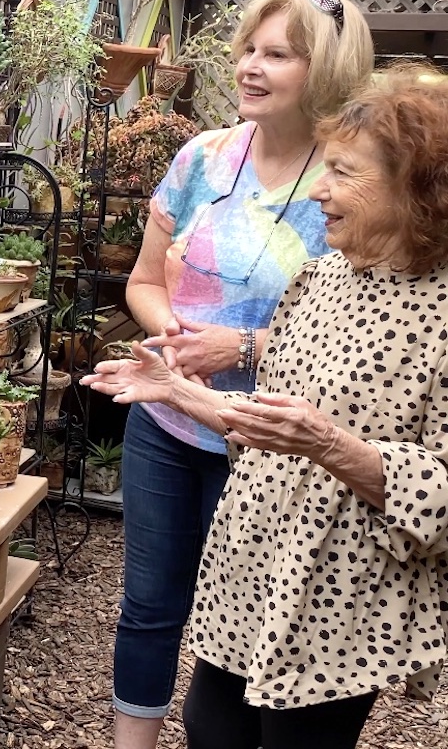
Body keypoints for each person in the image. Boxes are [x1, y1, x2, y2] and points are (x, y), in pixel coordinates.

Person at [82, 66, 448, 748]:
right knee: (210, 728)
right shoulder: (320, 278)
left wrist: (334, 447)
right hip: (249, 564)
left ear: (417, 190)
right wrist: (178, 391)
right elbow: (271, 430)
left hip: (337, 591)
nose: (318, 191)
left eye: (342, 173)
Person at [110, 0, 375, 748]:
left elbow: (358, 339)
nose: (250, 68)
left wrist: (245, 349)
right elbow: (143, 282)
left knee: (257, 617)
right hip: (166, 422)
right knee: (150, 605)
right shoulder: (202, 158)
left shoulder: (348, 186)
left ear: (323, 69)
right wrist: (177, 340)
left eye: (277, 54)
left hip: (273, 446)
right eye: (248, 51)